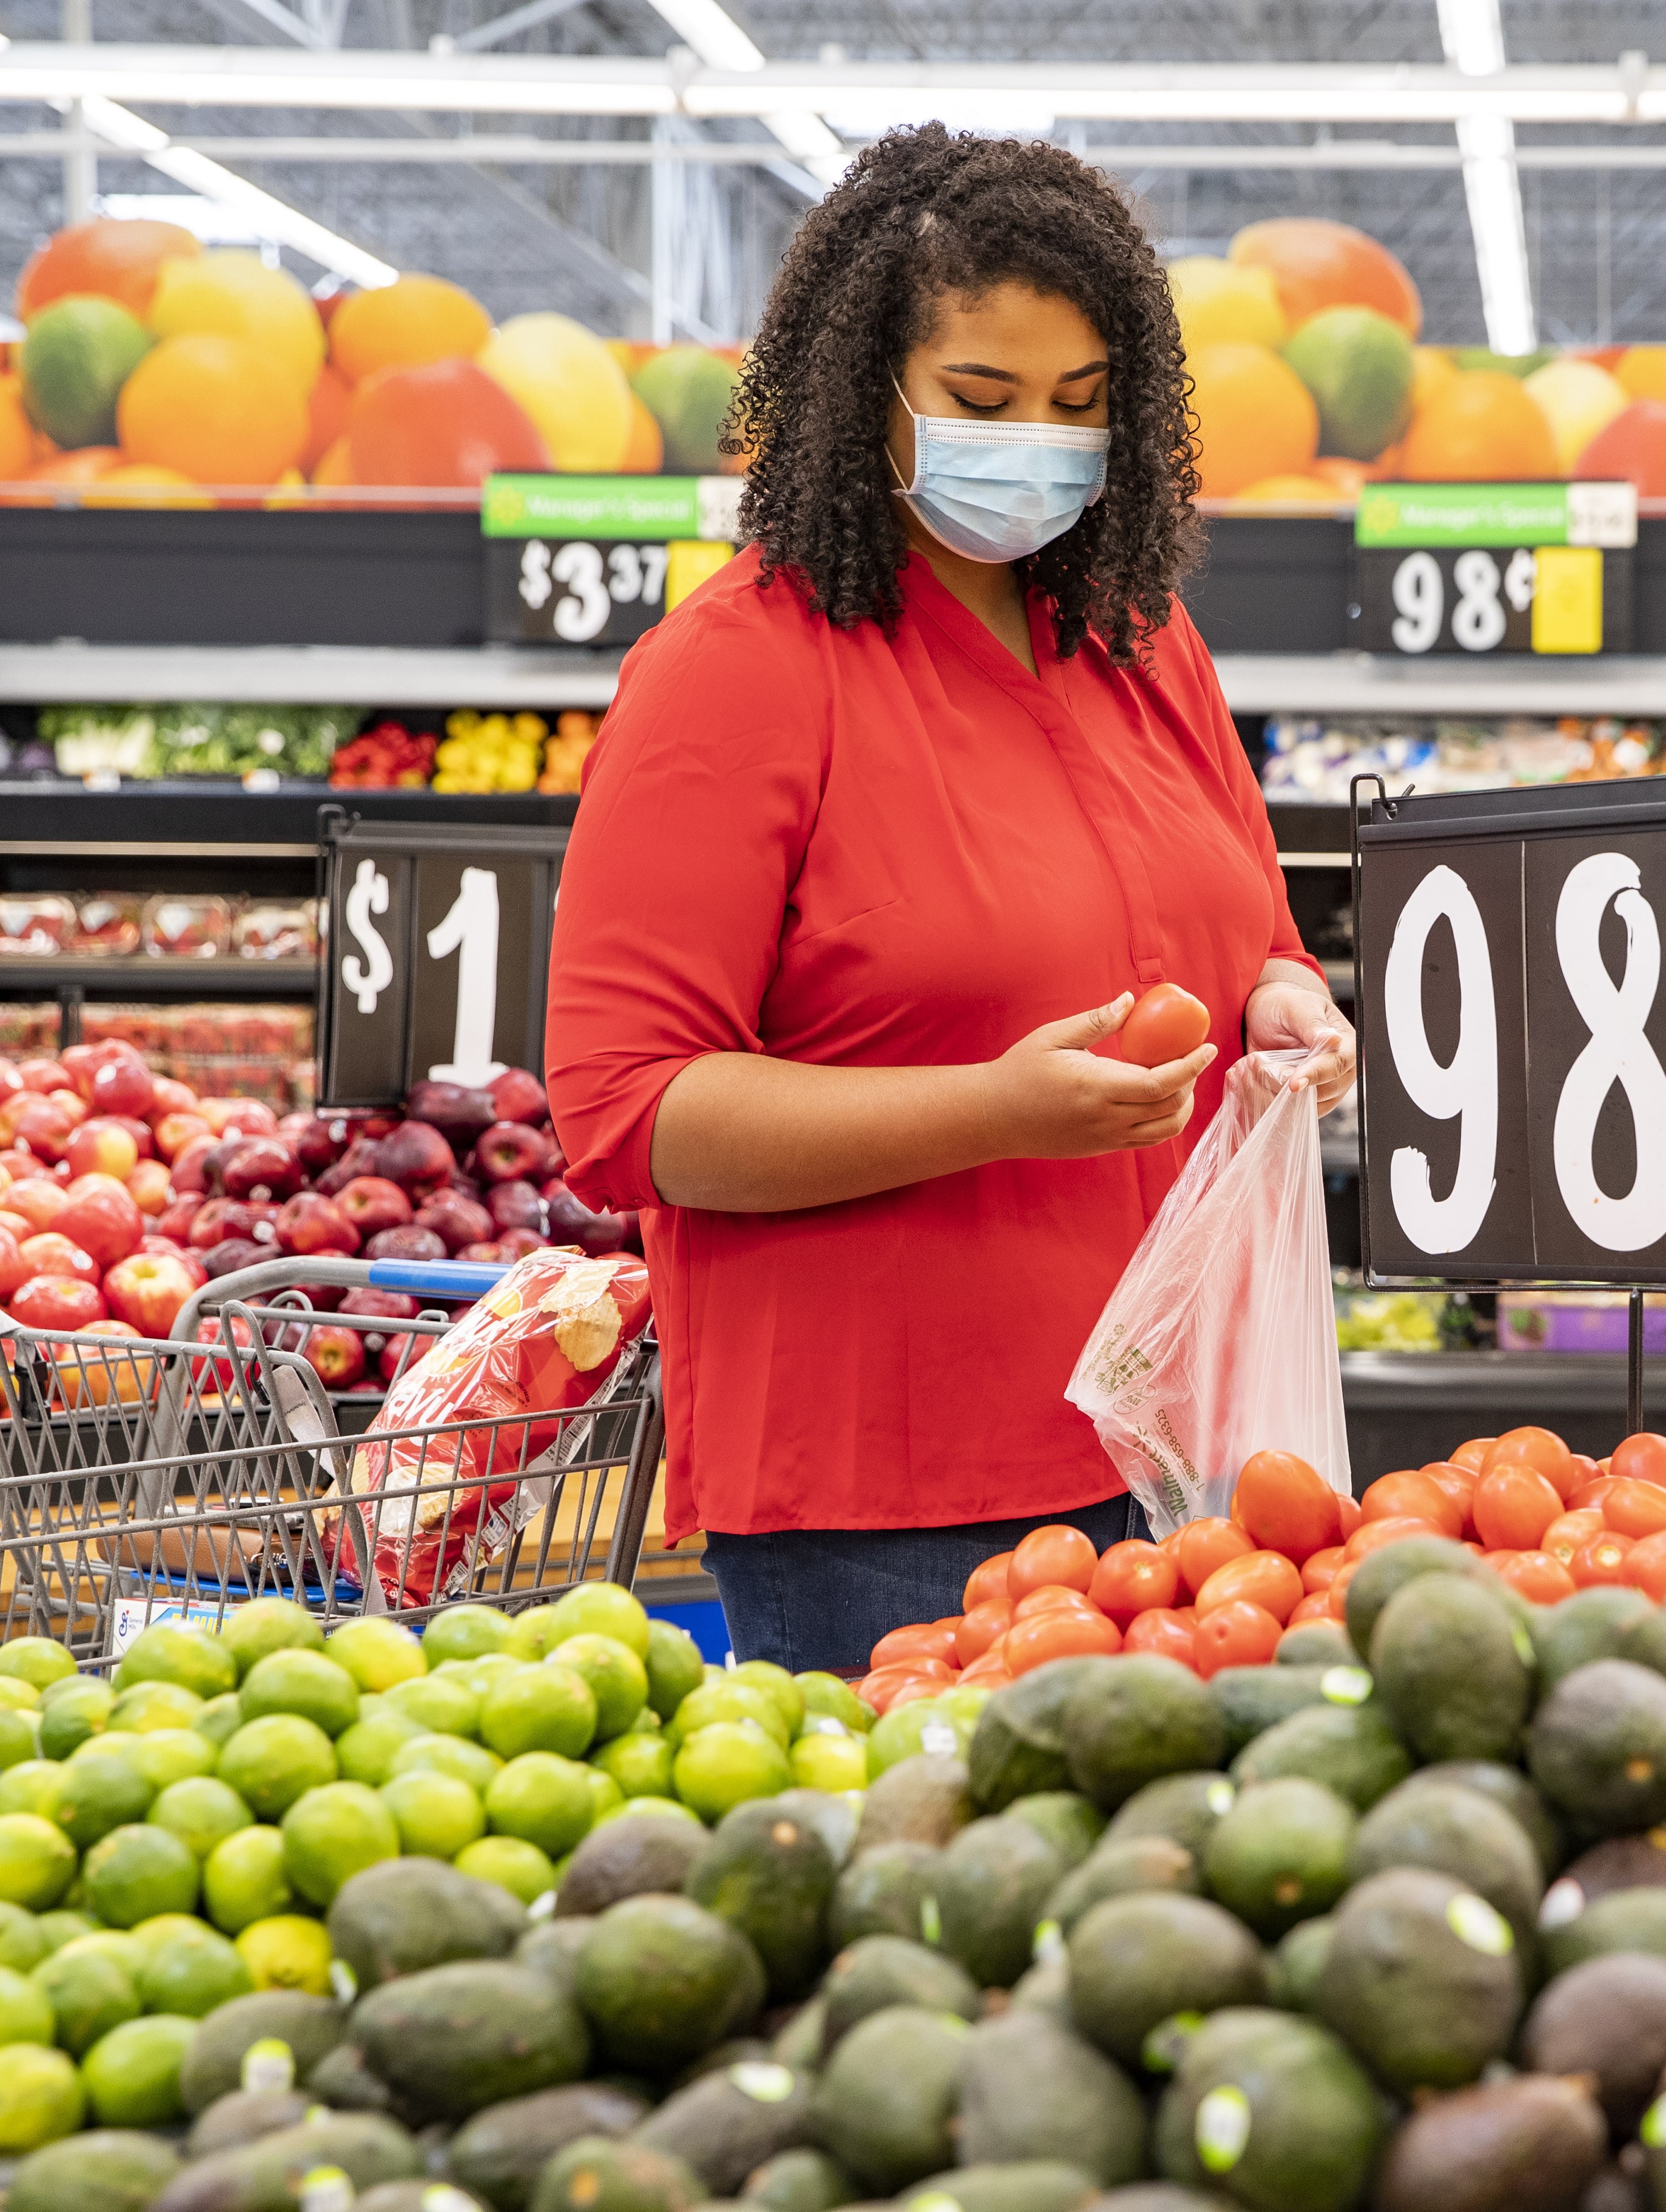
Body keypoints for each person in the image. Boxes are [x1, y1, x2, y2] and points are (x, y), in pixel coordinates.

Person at [544, 127, 1355, 1678]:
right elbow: (628, 1111)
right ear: (867, 391)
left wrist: (1287, 1003)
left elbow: (1250, 925)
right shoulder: (737, 674)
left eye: (1080, 403)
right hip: (892, 1498)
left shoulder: (1139, 636)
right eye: (982, 403)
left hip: (1185, 1445)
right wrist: (993, 1109)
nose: (1037, 442)